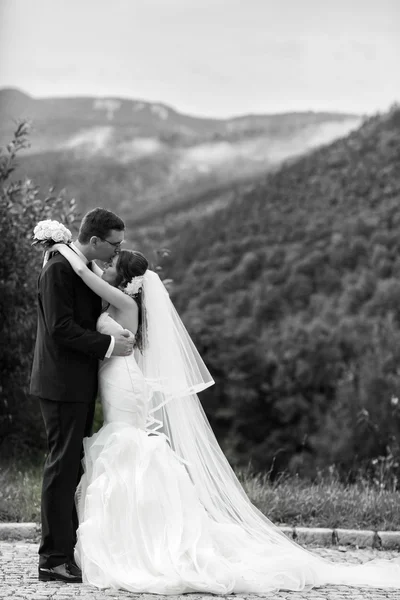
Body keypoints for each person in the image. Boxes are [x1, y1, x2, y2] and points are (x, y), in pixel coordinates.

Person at [48, 241, 400, 593]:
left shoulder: (123, 302)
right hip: (118, 377)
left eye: (111, 266)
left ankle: (139, 540)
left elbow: (82, 272)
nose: (104, 267)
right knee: (126, 444)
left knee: (126, 443)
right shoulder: (122, 298)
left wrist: (61, 244)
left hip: (123, 381)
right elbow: (93, 275)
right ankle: (135, 533)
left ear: (124, 280)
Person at [30, 208, 135, 583]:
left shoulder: (80, 267)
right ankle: (52, 558)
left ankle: (67, 550)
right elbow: (60, 329)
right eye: (114, 244)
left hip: (74, 383)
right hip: (60, 383)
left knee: (72, 466)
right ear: (94, 241)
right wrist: (108, 345)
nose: (118, 250)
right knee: (61, 468)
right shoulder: (59, 268)